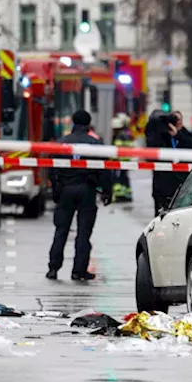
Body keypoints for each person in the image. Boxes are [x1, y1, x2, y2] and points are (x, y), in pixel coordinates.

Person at [46, 109, 111, 281]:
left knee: (61, 231)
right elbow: (104, 170)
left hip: (66, 190)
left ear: (73, 122)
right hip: (86, 190)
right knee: (83, 233)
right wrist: (107, 191)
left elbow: (52, 169)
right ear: (89, 124)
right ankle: (79, 270)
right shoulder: (95, 144)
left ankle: (53, 268)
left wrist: (56, 191)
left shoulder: (61, 143)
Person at [145, 109, 192, 213]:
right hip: (162, 185)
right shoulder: (161, 135)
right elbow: (151, 150)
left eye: (179, 119)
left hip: (181, 183)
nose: (177, 121)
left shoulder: (184, 134)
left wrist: (177, 135)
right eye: (174, 119)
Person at [110, 113, 135, 203]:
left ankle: (118, 195)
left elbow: (116, 149)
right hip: (126, 160)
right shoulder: (126, 134)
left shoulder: (119, 136)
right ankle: (127, 194)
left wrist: (112, 158)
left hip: (119, 161)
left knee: (118, 178)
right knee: (124, 178)